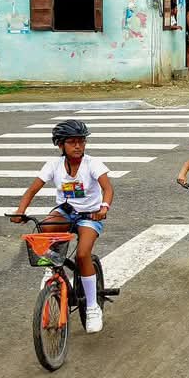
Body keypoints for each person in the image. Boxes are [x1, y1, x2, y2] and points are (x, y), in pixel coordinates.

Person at [12, 120, 115, 333]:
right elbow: (32, 190)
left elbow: (108, 189)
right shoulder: (53, 165)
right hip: (66, 212)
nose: (78, 146)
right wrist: (20, 211)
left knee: (83, 254)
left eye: (81, 141)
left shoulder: (93, 164)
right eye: (72, 142)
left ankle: (92, 307)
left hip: (90, 215)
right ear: (60, 145)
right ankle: (52, 269)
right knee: (44, 228)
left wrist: (103, 207)